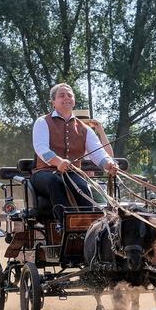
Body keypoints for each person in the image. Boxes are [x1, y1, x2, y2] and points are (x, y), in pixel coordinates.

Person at [31, 83, 118, 225]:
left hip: (72, 174)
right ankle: (64, 225)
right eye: (61, 95)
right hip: (44, 172)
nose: (66, 98)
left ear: (74, 100)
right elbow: (41, 148)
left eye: (69, 95)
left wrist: (108, 163)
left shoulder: (85, 129)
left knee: (83, 187)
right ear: (53, 102)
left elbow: (97, 152)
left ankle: (90, 227)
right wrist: (58, 162)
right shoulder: (42, 122)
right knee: (55, 182)